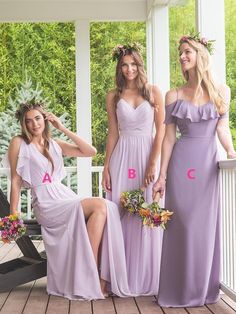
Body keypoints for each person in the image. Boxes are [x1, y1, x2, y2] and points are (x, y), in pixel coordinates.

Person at [6, 101, 132, 300]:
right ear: (24, 124)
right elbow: (15, 180)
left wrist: (62, 128)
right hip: (46, 202)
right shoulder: (19, 143)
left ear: (45, 119)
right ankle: (91, 275)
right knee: (100, 204)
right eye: (28, 121)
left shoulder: (54, 144)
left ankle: (92, 277)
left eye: (38, 118)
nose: (34, 124)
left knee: (104, 208)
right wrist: (14, 215)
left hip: (63, 195)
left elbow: (90, 151)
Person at [152, 34, 236, 307]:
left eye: (187, 51)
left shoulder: (222, 91)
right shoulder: (173, 94)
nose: (182, 56)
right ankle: (179, 290)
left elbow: (222, 129)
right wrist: (162, 176)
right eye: (180, 53)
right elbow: (168, 138)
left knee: (203, 229)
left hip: (207, 165)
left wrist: (232, 153)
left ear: (200, 54)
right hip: (182, 165)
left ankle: (202, 289)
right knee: (182, 226)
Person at [102, 43, 165, 295]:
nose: (129, 69)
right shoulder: (113, 96)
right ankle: (117, 277)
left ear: (140, 65)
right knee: (121, 214)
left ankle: (149, 278)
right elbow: (113, 133)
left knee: (147, 213)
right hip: (122, 158)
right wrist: (106, 167)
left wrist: (153, 163)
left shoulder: (153, 92)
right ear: (119, 68)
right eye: (124, 65)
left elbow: (161, 129)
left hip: (146, 155)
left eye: (133, 64)